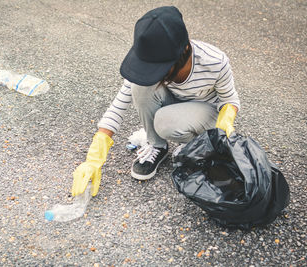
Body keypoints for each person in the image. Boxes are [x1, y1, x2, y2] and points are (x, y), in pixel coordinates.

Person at [71, 6, 240, 197]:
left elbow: (229, 99)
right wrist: (94, 156)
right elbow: (118, 105)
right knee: (139, 87)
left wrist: (225, 121)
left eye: (160, 68)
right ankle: (157, 146)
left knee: (165, 121)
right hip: (175, 108)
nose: (152, 73)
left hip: (205, 112)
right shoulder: (151, 55)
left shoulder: (215, 62)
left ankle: (193, 146)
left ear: (183, 51)